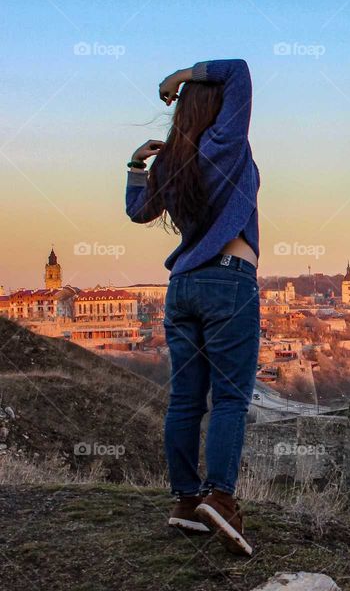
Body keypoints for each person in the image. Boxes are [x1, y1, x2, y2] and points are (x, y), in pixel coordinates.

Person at [126, 59, 260, 556]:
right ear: (220, 109)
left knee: (185, 400)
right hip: (229, 280)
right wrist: (181, 75)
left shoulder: (172, 161)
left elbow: (138, 211)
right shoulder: (225, 142)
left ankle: (185, 502)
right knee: (230, 399)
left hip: (181, 286)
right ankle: (220, 500)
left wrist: (135, 166)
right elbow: (239, 71)